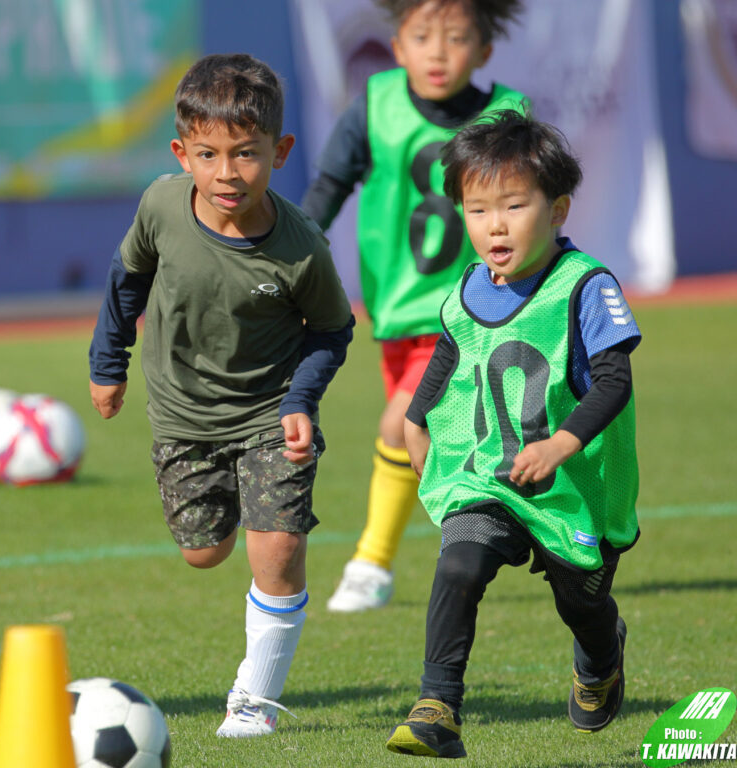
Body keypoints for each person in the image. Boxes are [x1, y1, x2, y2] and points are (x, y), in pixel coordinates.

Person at [89, 53, 355, 738]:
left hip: (271, 415)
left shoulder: (302, 247)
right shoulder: (160, 207)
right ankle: (235, 508)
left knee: (279, 549)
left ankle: (253, 702)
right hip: (183, 416)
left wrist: (300, 401)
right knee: (204, 552)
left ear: (280, 152)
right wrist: (108, 363)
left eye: (246, 154)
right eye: (208, 155)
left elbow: (332, 331)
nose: (227, 173)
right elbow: (126, 279)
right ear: (182, 154)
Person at [386, 109, 640, 759]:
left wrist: (561, 445)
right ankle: (437, 706)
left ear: (557, 210)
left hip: (572, 488)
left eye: (513, 206)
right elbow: (451, 350)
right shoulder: (469, 285)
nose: (494, 225)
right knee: (459, 563)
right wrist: (415, 419)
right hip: (491, 474)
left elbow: (614, 381)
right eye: (477, 210)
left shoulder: (584, 286)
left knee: (581, 604)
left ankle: (601, 657)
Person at [302, 0, 529, 613]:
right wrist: (291, 253)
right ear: (397, 47)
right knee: (429, 444)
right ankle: (497, 535)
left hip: (471, 315)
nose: (438, 51)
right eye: (422, 36)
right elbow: (329, 187)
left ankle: (370, 564)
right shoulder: (375, 105)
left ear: (484, 51)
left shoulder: (508, 116)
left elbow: (536, 205)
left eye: (456, 38)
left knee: (400, 424)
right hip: (395, 315)